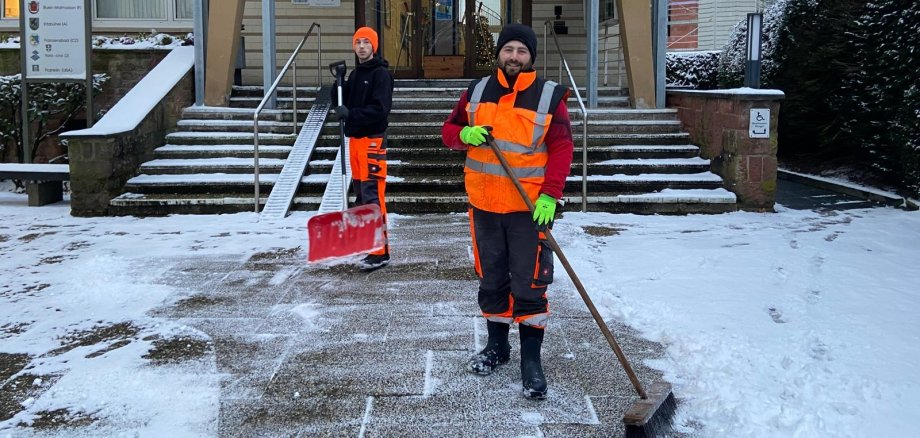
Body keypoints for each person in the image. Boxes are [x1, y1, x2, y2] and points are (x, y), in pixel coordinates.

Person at [441, 23, 574, 399]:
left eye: (522, 51)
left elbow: (562, 148)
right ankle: (497, 347)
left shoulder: (549, 96)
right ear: (499, 52)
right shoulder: (477, 90)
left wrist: (550, 195)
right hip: (484, 207)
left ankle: (531, 361)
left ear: (531, 57)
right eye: (509, 49)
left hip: (528, 209)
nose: (514, 56)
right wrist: (463, 135)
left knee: (530, 282)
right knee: (492, 278)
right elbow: (449, 130)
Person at [333, 27, 395, 270]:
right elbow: (342, 103)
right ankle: (369, 244)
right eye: (357, 42)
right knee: (360, 195)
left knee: (372, 195)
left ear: (374, 46)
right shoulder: (356, 75)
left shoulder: (380, 74)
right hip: (355, 141)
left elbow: (380, 109)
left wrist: (352, 114)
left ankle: (380, 251)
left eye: (366, 42)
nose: (361, 46)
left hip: (372, 141)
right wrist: (337, 83)